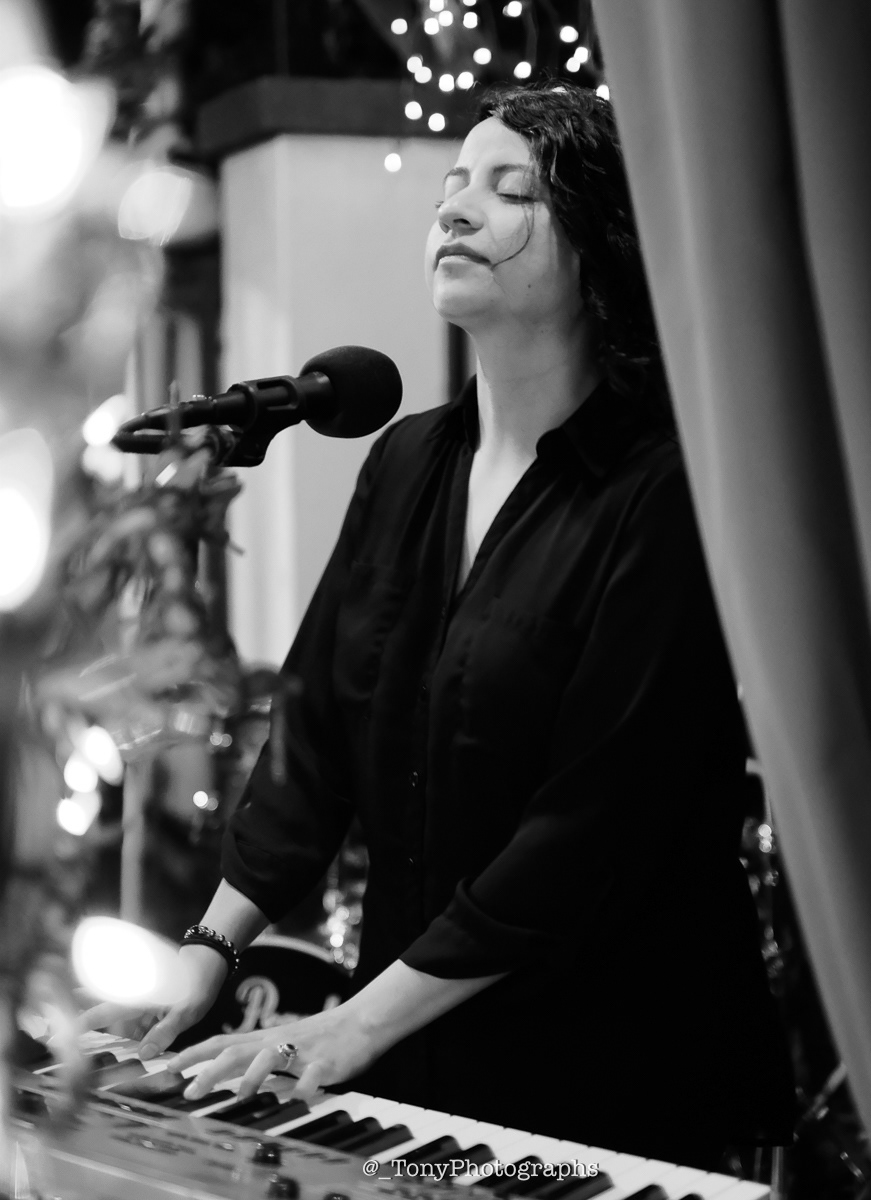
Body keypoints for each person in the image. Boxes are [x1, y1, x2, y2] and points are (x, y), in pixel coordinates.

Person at [91, 82, 794, 1169]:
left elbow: (589, 833)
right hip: (413, 1080)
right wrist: (206, 958)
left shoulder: (666, 488)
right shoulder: (409, 460)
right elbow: (312, 745)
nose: (457, 212)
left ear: (602, 246)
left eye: (512, 191)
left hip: (612, 1080)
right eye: (452, 187)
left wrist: (344, 1027)